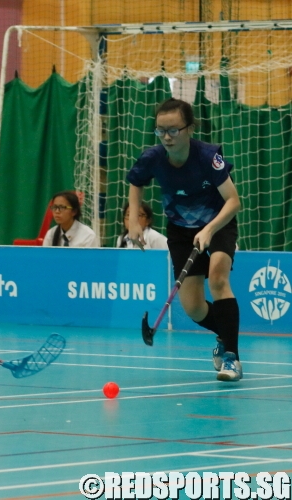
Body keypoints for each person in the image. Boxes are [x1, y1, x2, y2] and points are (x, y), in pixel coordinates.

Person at [127, 97, 242, 381]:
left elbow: (233, 201)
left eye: (174, 130)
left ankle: (232, 358)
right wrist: (133, 220)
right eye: (161, 130)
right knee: (192, 306)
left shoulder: (207, 157)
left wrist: (209, 229)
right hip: (180, 230)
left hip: (218, 223)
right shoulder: (152, 158)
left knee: (217, 278)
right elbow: (135, 182)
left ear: (189, 128)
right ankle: (224, 335)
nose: (166, 137)